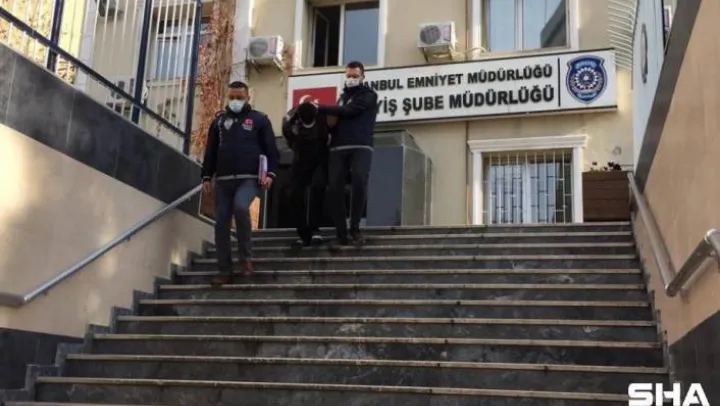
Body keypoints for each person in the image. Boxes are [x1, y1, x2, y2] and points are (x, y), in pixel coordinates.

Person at [201, 81, 279, 286]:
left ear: (247, 98)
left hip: (249, 178)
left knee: (241, 207)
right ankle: (224, 270)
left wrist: (270, 174)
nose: (235, 101)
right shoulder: (219, 122)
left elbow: (271, 149)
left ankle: (245, 258)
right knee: (221, 223)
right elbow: (211, 151)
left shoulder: (259, 120)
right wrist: (207, 176)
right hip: (223, 180)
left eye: (239, 97)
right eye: (232, 97)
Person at [316, 61, 378, 247]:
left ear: (362, 77)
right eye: (348, 76)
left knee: (359, 181)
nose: (351, 79)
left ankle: (355, 229)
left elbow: (350, 111)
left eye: (355, 76)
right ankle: (340, 234)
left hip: (361, 146)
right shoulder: (341, 98)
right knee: (334, 189)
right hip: (338, 148)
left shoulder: (369, 95)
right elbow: (335, 119)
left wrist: (320, 108)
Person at [282, 102, 332, 247]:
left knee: (318, 188)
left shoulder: (323, 120)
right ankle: (303, 234)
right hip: (301, 161)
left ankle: (315, 229)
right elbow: (289, 138)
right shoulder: (291, 123)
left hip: (320, 160)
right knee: (294, 194)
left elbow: (331, 137)